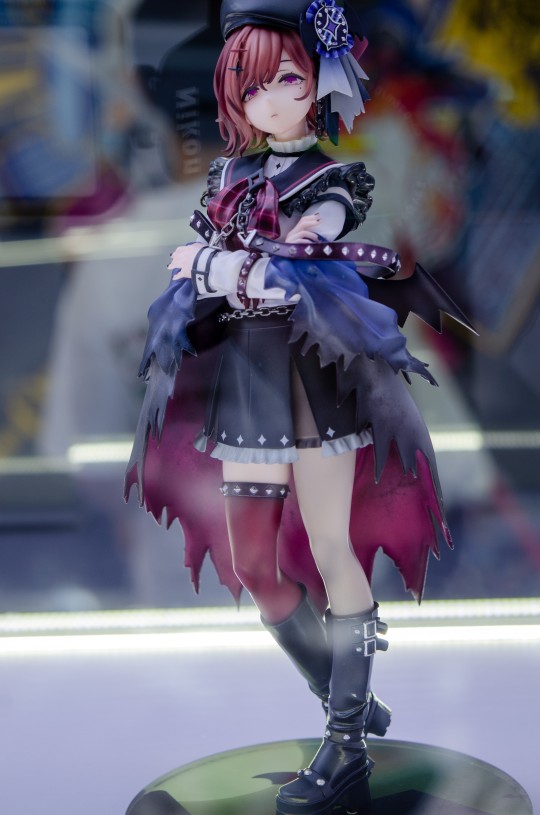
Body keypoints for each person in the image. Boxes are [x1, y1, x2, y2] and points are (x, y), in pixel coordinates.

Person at [126, 2, 473, 812]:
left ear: (318, 78)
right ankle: (345, 696)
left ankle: (345, 742)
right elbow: (196, 269)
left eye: (289, 78)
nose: (275, 98)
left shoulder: (331, 180)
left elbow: (294, 270)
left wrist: (220, 268)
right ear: (233, 94)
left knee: (329, 546)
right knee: (254, 564)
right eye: (254, 85)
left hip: (317, 380)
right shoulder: (227, 178)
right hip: (249, 382)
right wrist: (224, 270)